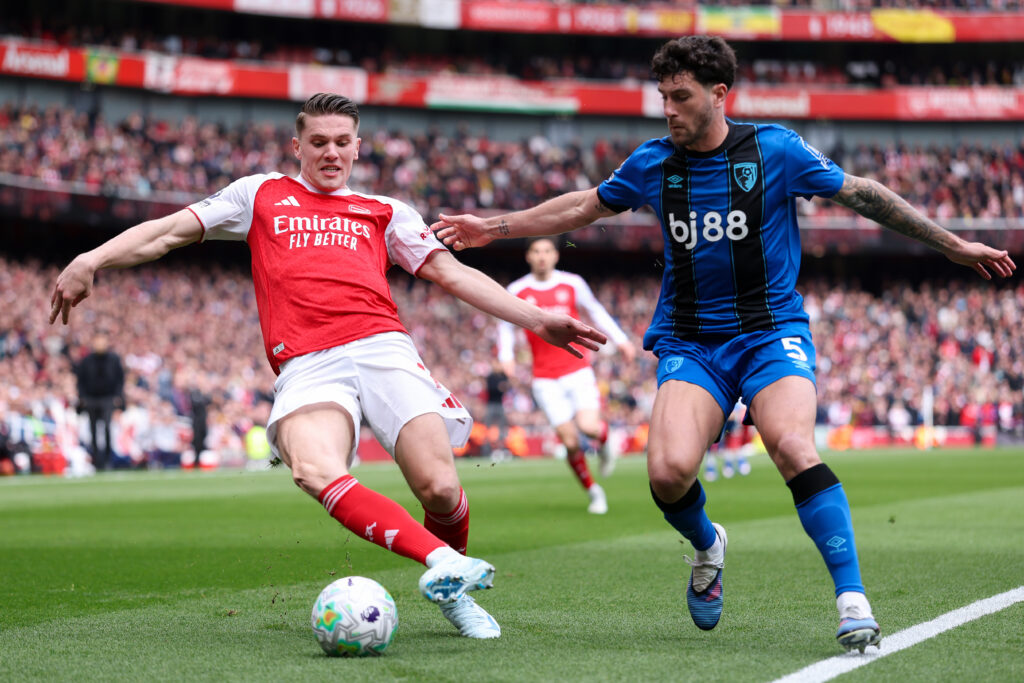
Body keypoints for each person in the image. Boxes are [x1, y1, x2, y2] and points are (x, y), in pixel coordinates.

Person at [433, 36, 1016, 652]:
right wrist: (491, 226)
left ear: (719, 94)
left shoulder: (775, 149)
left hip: (770, 333)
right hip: (691, 342)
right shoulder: (653, 162)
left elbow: (864, 194)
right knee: (667, 474)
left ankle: (852, 600)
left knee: (792, 444)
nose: (669, 110)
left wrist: (954, 245)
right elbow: (582, 206)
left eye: (681, 97)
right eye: (663, 97)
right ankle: (709, 545)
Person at [50, 92, 606, 641]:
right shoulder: (260, 193)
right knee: (312, 468)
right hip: (308, 363)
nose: (331, 153)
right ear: (297, 145)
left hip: (384, 348)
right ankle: (444, 562)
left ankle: (450, 586)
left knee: (438, 488)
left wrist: (537, 320)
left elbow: (453, 275)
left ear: (358, 148)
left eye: (342, 142)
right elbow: (169, 231)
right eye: (318, 142)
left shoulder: (386, 211)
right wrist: (90, 258)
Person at [497, 237, 636, 514]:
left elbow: (595, 310)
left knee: (589, 428)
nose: (542, 256)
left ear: (555, 256)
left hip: (577, 369)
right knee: (570, 442)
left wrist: (620, 340)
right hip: (544, 378)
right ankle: (594, 492)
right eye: (536, 251)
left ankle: (606, 442)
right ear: (528, 256)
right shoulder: (517, 289)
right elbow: (505, 324)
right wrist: (506, 356)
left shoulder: (572, 283)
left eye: (547, 251)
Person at [74, 332, 125, 471]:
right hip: (91, 400)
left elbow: (120, 380)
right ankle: (97, 461)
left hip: (107, 399)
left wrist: (117, 396)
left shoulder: (114, 359)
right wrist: (83, 397)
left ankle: (108, 459)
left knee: (108, 428)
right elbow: (81, 381)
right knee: (93, 431)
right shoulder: (86, 361)